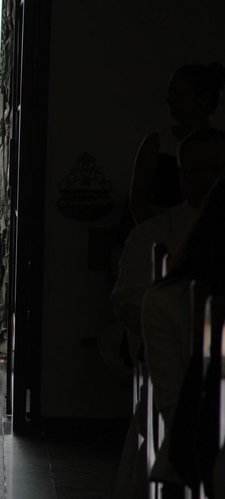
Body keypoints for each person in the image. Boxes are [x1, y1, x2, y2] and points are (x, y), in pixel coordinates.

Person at [140, 128, 225, 491]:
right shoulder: (169, 295)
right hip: (201, 434)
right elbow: (183, 413)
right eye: (195, 171)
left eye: (216, 170)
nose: (207, 180)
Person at [129, 63, 225, 225]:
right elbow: (138, 204)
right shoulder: (155, 143)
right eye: (169, 94)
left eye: (178, 95)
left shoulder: (220, 145)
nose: (169, 100)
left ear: (203, 99)